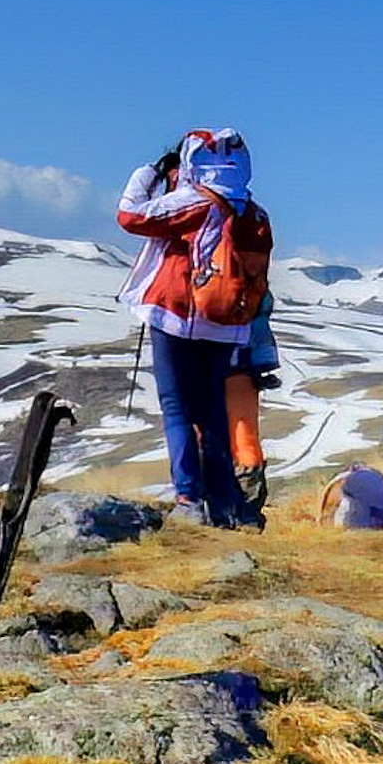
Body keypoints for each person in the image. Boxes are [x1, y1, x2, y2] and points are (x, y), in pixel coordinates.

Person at [117, 129, 271, 528]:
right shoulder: (253, 213)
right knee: (213, 414)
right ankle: (226, 505)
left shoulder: (195, 203)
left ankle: (188, 498)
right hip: (227, 325)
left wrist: (148, 175)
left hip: (179, 315)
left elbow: (130, 216)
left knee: (178, 409)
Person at [227, 293, 281, 529]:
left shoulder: (202, 260)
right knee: (245, 432)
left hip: (206, 345)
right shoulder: (252, 263)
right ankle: (248, 508)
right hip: (249, 354)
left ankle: (209, 504)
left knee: (203, 430)